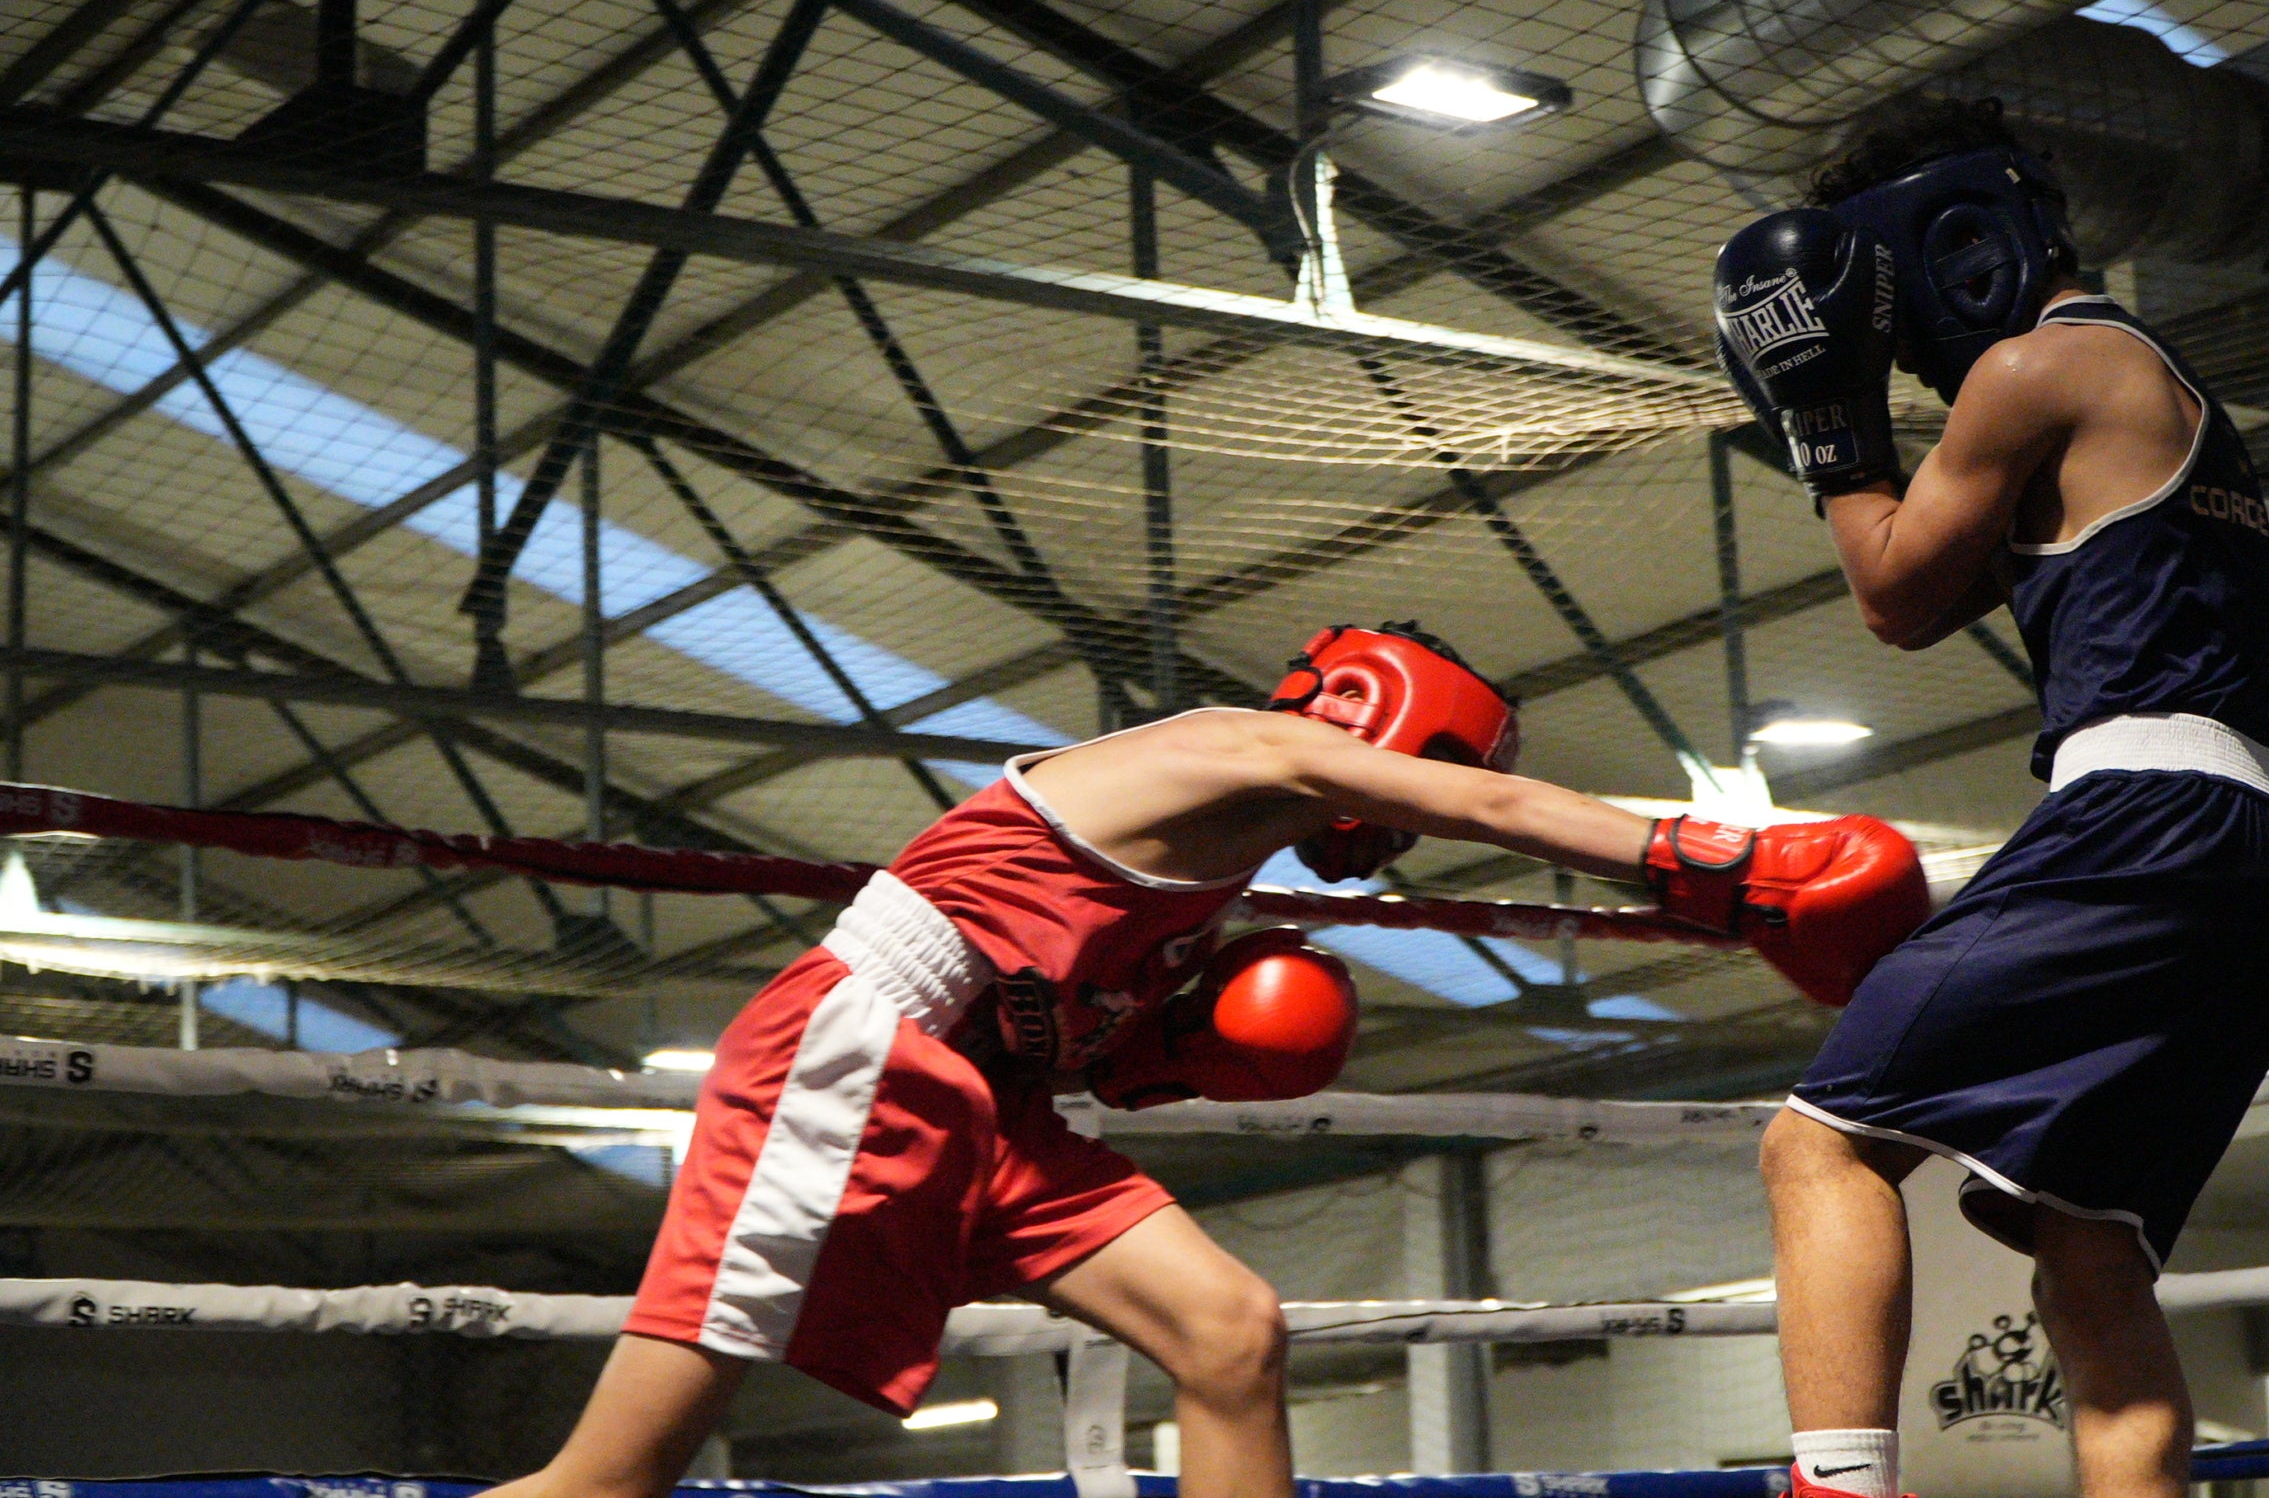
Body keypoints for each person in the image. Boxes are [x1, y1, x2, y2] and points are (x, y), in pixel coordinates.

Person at [482, 623, 1928, 1498]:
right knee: (616, 1479)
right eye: (1407, 774)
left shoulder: (1200, 870)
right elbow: (1484, 799)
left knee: (1231, 1329)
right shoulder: (1239, 748)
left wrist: (1174, 1039)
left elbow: (1052, 1029)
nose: (1401, 823)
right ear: (1376, 720)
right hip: (851, 1059)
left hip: (982, 1105)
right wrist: (1703, 860)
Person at [1712, 97, 2269, 1498]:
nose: (1908, 352)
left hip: (2145, 820)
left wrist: (1825, 416)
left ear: (1952, 250)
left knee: (1814, 1143)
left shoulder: (2037, 371)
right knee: (2089, 1260)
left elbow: (1888, 596)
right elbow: (1937, 593)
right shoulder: (2155, 386)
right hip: (2264, 851)